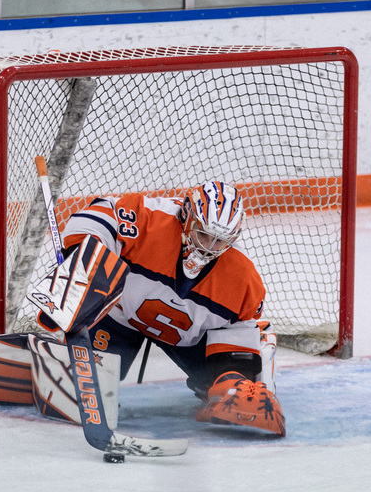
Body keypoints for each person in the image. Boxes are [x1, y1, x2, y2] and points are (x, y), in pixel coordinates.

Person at [39, 181, 284, 436]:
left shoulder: (242, 278)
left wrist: (236, 373)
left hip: (188, 337)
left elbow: (238, 327)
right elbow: (100, 213)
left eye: (220, 241)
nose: (208, 248)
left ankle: (262, 341)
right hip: (121, 316)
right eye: (204, 235)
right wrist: (80, 260)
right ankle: (48, 354)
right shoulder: (149, 219)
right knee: (87, 387)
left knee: (229, 396)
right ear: (187, 220)